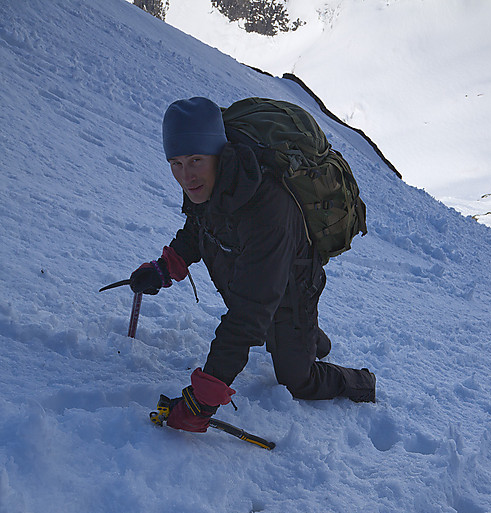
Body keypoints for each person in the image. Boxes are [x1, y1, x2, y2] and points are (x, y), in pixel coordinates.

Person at [128, 97, 376, 433]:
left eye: (195, 160)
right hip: (248, 269)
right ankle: (306, 337)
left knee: (296, 378)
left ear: (217, 152)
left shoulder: (268, 207)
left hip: (293, 279)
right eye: (176, 163)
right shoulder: (209, 179)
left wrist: (204, 398)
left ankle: (362, 381)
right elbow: (198, 227)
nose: (185, 176)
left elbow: (249, 312)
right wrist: (165, 267)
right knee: (271, 328)